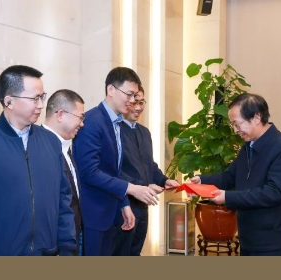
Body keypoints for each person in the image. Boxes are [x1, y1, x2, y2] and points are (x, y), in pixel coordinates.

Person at [0, 65, 76, 256]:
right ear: (9, 101)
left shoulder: (51, 142)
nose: (41, 105)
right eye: (34, 98)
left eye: (42, 97)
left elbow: (64, 200)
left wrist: (67, 247)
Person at [190, 93, 281, 256]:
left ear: (256, 118)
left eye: (237, 123)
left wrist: (228, 197)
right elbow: (230, 177)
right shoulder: (249, 145)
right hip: (248, 237)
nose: (235, 130)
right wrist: (201, 181)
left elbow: (274, 192)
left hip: (272, 241)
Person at [72, 67, 159, 256]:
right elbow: (89, 172)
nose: (132, 100)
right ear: (111, 90)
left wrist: (124, 204)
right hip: (94, 215)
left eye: (135, 96)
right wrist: (131, 188)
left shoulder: (116, 123)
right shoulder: (92, 122)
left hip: (112, 212)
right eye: (129, 94)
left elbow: (114, 171)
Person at [113, 87, 179, 256]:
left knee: (136, 251)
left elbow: (150, 165)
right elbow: (114, 170)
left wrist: (164, 180)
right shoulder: (115, 131)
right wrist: (142, 185)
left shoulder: (144, 132)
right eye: (134, 102)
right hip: (124, 204)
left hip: (144, 204)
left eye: (141, 102)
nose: (138, 107)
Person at [41, 89, 85, 255]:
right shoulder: (39, 148)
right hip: (55, 243)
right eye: (80, 117)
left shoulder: (65, 146)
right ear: (60, 115)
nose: (82, 124)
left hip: (73, 234)